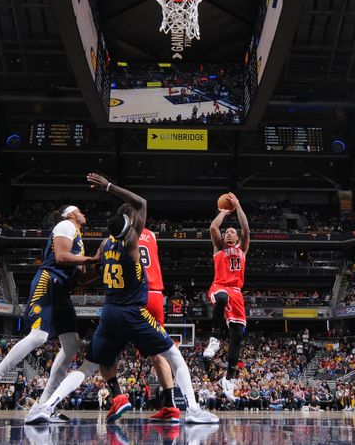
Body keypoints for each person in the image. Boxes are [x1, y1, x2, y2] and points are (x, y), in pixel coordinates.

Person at [25, 173, 218, 425]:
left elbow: (86, 277)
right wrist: (109, 187)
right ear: (131, 224)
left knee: (87, 367)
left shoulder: (105, 245)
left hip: (109, 313)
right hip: (134, 311)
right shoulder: (132, 241)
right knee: (173, 355)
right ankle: (192, 409)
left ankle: (45, 406)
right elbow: (142, 203)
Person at [0, 204, 100, 421]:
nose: (83, 213)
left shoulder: (78, 237)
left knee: (71, 346)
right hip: (48, 280)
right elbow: (60, 257)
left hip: (62, 290)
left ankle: (42, 406)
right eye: (79, 210)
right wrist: (92, 259)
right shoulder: (65, 225)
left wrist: (101, 268)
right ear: (70, 214)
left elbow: (80, 280)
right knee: (39, 335)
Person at [99, 225, 181, 424]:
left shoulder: (115, 236)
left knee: (104, 349)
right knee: (159, 353)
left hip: (133, 295)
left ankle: (118, 395)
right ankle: (170, 406)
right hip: (155, 295)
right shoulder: (151, 235)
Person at [203, 192, 250, 403]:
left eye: (232, 232)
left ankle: (229, 380)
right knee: (221, 298)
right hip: (220, 286)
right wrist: (222, 213)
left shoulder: (243, 249)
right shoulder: (219, 247)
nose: (229, 234)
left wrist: (238, 206)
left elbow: (246, 229)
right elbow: (213, 228)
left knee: (237, 335)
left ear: (238, 238)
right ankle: (214, 338)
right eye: (227, 232)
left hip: (237, 293)